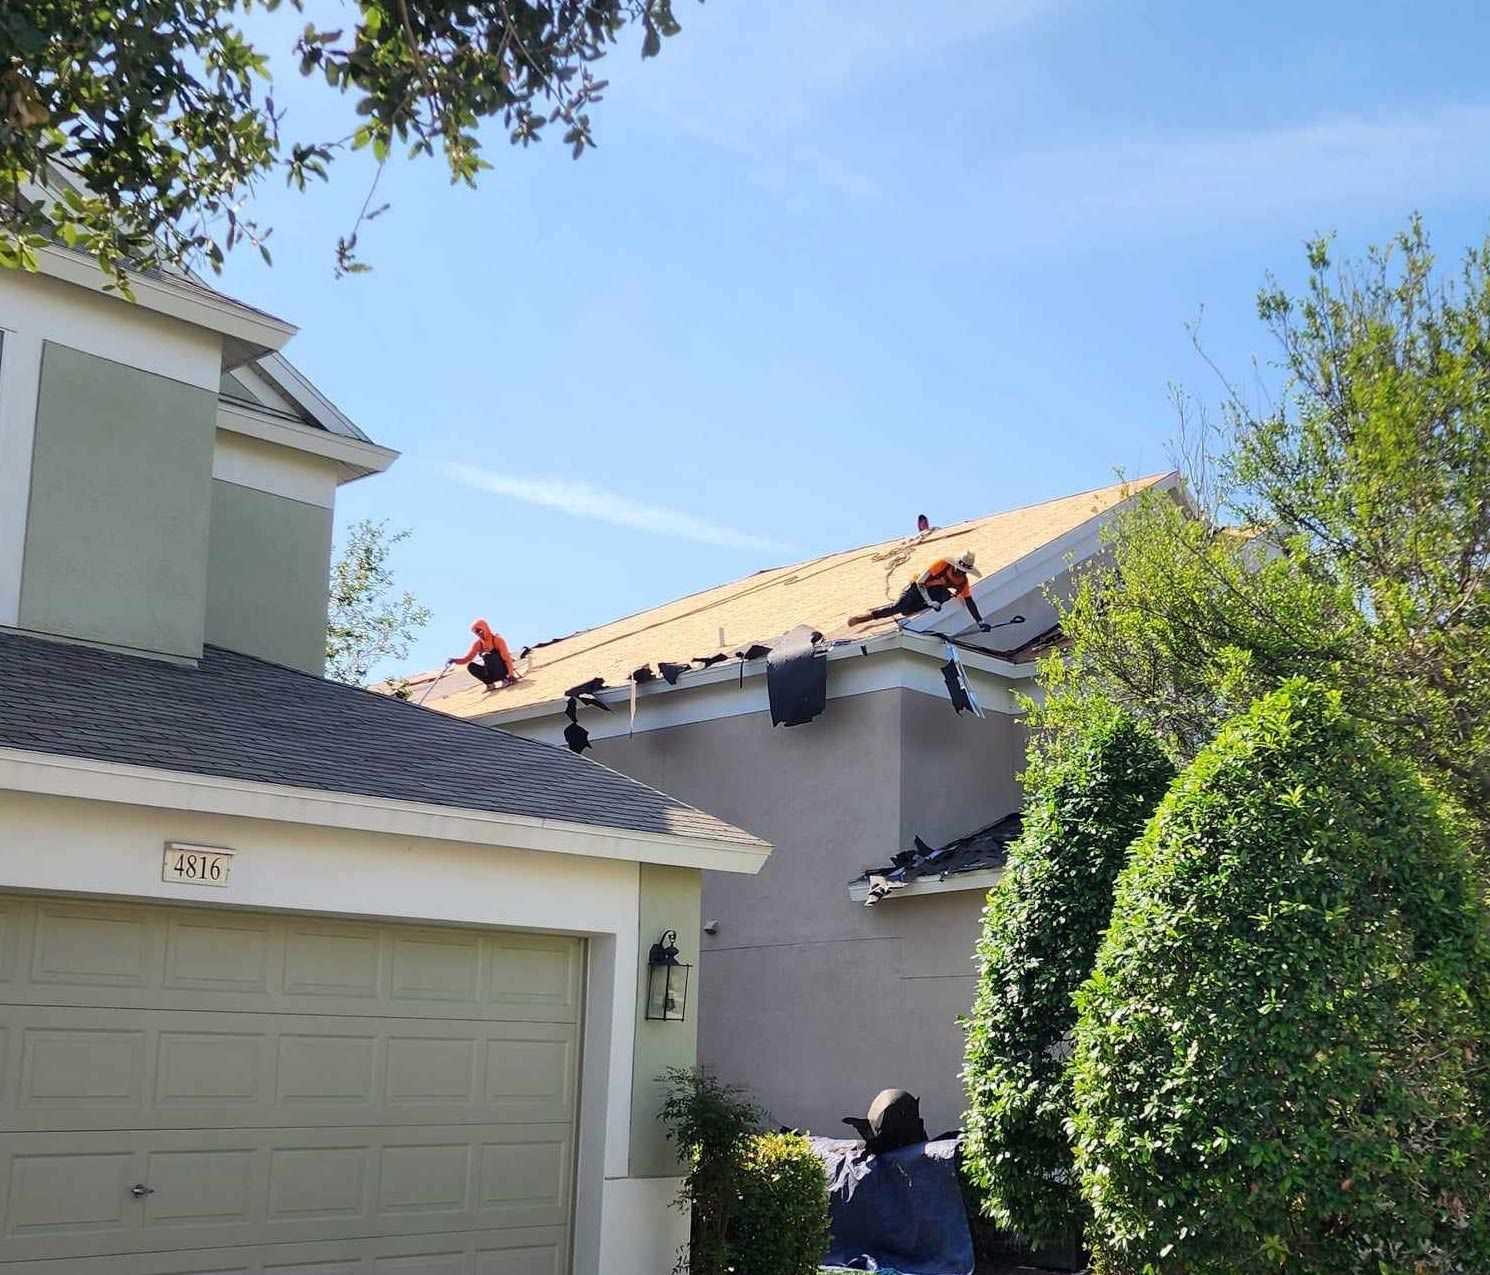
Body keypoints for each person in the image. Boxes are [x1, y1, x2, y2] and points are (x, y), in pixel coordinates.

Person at [848, 551, 992, 630]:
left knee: (946, 595)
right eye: (959, 570)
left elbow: (969, 601)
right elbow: (920, 582)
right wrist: (930, 602)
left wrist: (980, 621)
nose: (960, 574)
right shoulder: (942, 565)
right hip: (917, 589)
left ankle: (913, 610)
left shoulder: (962, 582)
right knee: (899, 607)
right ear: (955, 566)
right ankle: (866, 617)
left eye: (963, 572)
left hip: (932, 596)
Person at [448, 619, 522, 691]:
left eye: (479, 631)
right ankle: (490, 684)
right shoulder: (478, 644)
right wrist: (455, 660)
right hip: (490, 672)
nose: (479, 634)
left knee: (489, 655)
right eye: (476, 632)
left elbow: (507, 658)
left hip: (502, 670)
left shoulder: (497, 640)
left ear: (485, 628)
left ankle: (505, 680)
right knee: (471, 666)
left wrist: (511, 675)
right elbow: (467, 658)